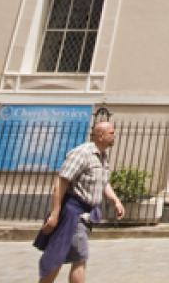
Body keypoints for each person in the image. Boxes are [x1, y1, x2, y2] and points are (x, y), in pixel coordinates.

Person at [35, 121, 125, 283]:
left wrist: (115, 200)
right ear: (100, 135)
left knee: (59, 256)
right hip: (73, 215)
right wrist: (54, 214)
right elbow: (61, 182)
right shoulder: (82, 153)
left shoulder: (102, 157)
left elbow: (103, 182)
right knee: (77, 257)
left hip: (84, 216)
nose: (115, 135)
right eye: (112, 132)